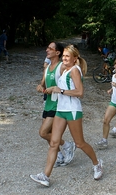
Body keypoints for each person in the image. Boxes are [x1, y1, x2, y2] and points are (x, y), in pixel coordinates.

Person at [30, 44, 103, 186]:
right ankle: (45, 176)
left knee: (80, 143)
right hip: (61, 110)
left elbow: (80, 93)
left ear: (75, 58)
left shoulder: (75, 70)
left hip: (73, 110)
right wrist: (52, 89)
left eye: (67, 56)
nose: (64, 58)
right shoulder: (65, 70)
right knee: (53, 143)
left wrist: (60, 90)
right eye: (63, 56)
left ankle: (97, 163)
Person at [35, 41, 76, 169]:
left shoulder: (62, 67)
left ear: (57, 52)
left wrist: (58, 88)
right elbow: (43, 83)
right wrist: (40, 86)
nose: (47, 50)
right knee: (50, 134)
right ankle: (59, 156)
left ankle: (67, 145)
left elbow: (74, 73)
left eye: (50, 48)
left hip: (58, 104)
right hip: (48, 103)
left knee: (43, 132)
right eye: (47, 48)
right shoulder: (47, 68)